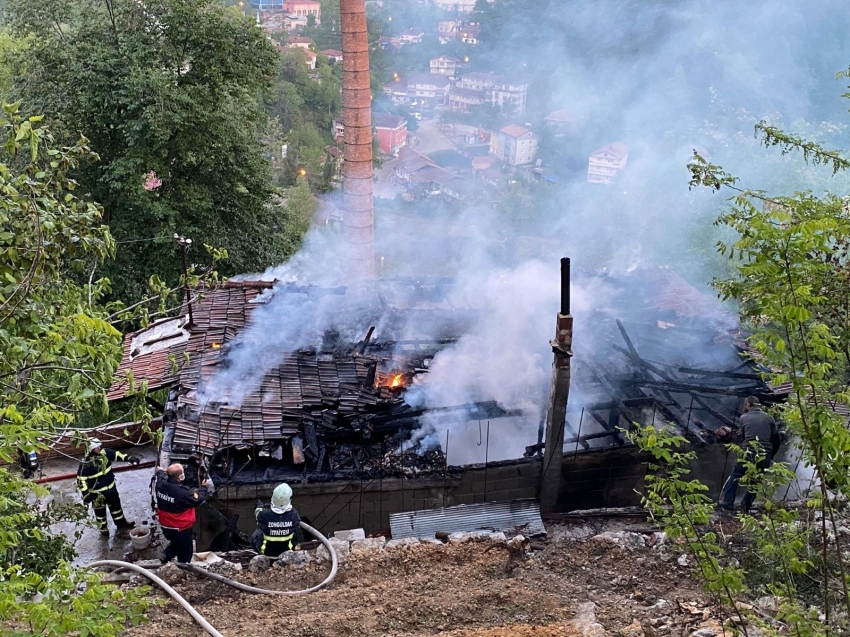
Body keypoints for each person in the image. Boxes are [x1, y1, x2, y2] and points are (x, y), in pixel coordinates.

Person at [719, 396, 781, 512]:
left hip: (748, 452)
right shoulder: (769, 418)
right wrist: (771, 455)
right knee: (756, 480)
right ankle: (745, 506)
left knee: (735, 475)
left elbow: (744, 438)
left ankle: (728, 503)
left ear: (748, 405)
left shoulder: (743, 417)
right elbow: (777, 440)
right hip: (764, 454)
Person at [77, 438, 140, 536]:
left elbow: (117, 455)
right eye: (96, 448)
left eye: (99, 446)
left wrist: (129, 458)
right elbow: (81, 479)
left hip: (111, 489)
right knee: (100, 511)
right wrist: (86, 494)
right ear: (90, 449)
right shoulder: (86, 463)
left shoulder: (105, 453)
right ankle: (103, 528)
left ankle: (122, 525)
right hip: (97, 494)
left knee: (116, 508)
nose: (99, 448)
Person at [154, 463, 211, 563]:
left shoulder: (159, 485)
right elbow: (199, 499)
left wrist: (160, 471)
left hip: (166, 527)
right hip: (181, 530)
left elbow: (160, 476)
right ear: (180, 477)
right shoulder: (183, 493)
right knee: (186, 550)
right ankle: (183, 567)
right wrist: (204, 487)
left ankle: (166, 556)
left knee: (176, 543)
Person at [252, 483, 301, 558]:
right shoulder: (293, 515)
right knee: (296, 529)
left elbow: (257, 514)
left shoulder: (264, 515)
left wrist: (259, 506)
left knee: (258, 531)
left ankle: (260, 553)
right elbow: (295, 521)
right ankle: (293, 549)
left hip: (267, 553)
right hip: (286, 553)